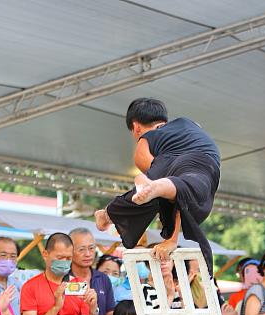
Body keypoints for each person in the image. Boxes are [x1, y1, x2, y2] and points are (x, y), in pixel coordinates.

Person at [95, 98, 221, 271]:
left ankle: (107, 214)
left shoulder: (145, 141)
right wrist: (172, 240)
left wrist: (171, 239)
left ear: (136, 126)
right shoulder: (188, 123)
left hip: (170, 167)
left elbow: (163, 179)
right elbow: (178, 198)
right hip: (206, 163)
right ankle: (158, 186)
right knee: (184, 189)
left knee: (154, 194)